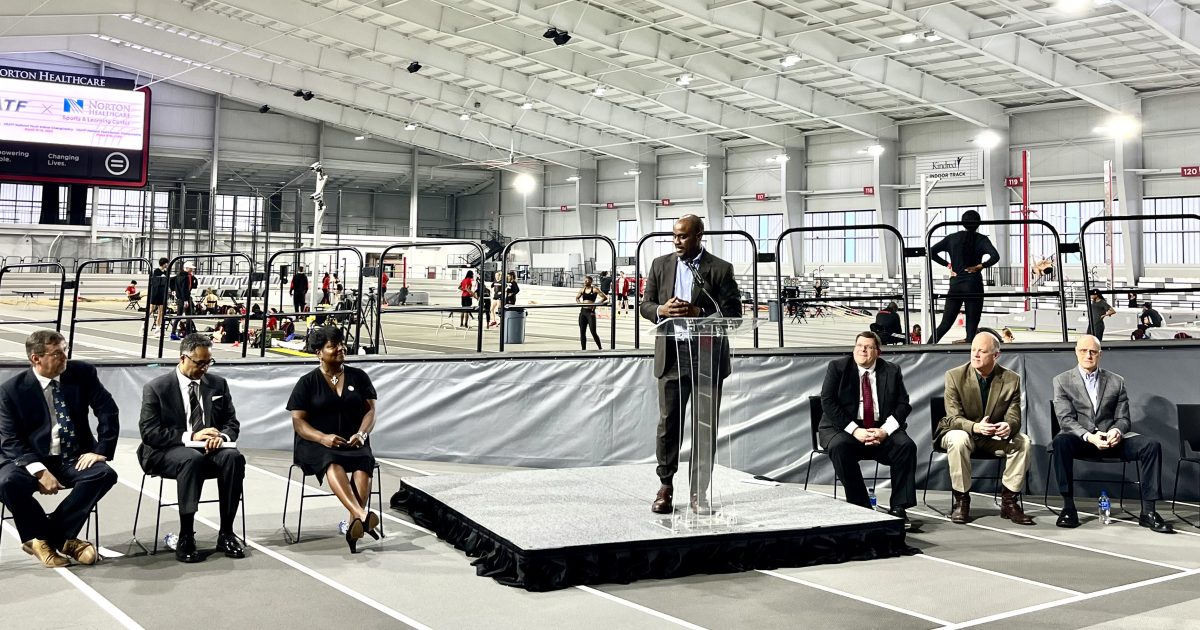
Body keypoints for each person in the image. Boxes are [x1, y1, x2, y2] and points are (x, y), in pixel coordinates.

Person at [639, 215, 742, 515]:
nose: (676, 241)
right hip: (672, 355)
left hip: (707, 356)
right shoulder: (660, 265)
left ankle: (699, 492)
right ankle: (666, 486)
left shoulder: (720, 269)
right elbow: (645, 305)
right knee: (668, 425)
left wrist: (700, 311)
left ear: (699, 236)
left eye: (683, 236)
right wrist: (661, 309)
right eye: (674, 236)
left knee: (704, 427)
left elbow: (734, 314)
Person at [0, 330, 119, 568]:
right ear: (36, 358)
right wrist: (39, 471)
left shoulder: (83, 373)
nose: (65, 356)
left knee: (104, 474)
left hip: (72, 455)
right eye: (57, 353)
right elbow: (10, 440)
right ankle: (63, 540)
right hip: (28, 458)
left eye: (65, 350)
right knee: (6, 483)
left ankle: (46, 537)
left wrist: (101, 449)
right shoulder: (10, 391)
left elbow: (107, 410)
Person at [138, 334, 247, 562]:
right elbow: (150, 433)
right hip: (166, 451)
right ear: (183, 358)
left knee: (233, 458)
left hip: (209, 449)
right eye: (200, 363)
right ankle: (186, 534)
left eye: (209, 362)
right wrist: (192, 436)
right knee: (191, 459)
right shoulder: (157, 388)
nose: (205, 368)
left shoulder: (218, 384)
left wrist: (222, 436)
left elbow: (231, 422)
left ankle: (226, 532)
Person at [1050, 335, 1172, 533]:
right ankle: (1068, 508)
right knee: (1060, 442)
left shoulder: (1117, 381)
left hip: (1112, 438)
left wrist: (1116, 431)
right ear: (1076, 352)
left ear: (1100, 354)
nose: (1088, 355)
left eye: (1093, 351)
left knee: (1151, 446)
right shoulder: (1062, 381)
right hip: (1082, 439)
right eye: (1083, 351)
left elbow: (1123, 419)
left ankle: (1148, 512)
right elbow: (1065, 420)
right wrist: (1090, 437)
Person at [286, 327, 381, 553]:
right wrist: (323, 438)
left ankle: (353, 525)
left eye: (341, 344)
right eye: (332, 346)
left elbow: (370, 412)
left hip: (353, 440)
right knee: (332, 459)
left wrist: (361, 434)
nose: (340, 349)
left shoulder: (359, 376)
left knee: (363, 460)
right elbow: (298, 422)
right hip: (315, 443)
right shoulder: (307, 382)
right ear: (319, 352)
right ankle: (361, 514)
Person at [934, 331, 1034, 525]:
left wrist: (1008, 426)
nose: (975, 355)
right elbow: (953, 418)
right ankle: (961, 501)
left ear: (995, 355)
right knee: (958, 439)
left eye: (981, 351)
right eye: (973, 350)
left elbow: (1014, 415)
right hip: (962, 432)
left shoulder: (1011, 379)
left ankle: (1009, 502)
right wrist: (976, 428)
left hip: (992, 438)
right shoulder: (954, 376)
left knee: (1023, 441)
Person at [819, 331, 916, 524]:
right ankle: (861, 507)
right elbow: (828, 402)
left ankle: (899, 508)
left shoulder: (892, 370)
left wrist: (885, 431)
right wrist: (856, 430)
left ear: (878, 352)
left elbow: (903, 404)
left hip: (880, 428)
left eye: (868, 346)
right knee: (839, 447)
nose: (863, 349)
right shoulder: (837, 367)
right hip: (844, 428)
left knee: (906, 446)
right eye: (859, 346)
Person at [929, 210, 1000, 344]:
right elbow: (995, 256)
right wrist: (980, 266)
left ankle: (927, 348)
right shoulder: (981, 239)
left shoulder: (952, 238)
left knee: (945, 323)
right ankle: (969, 346)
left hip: (956, 284)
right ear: (978, 223)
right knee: (972, 323)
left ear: (962, 222)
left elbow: (931, 251)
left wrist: (948, 264)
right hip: (974, 284)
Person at [576, 275, 608, 350]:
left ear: (591, 282)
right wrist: (580, 304)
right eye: (585, 280)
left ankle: (600, 348)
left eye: (587, 280)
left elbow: (604, 297)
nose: (585, 282)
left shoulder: (594, 289)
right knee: (582, 332)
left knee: (593, 331)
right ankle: (583, 349)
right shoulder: (582, 289)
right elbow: (577, 298)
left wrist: (596, 304)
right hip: (583, 312)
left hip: (590, 312)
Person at [149, 257, 170, 336]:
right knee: (151, 309)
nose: (167, 265)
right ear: (164, 263)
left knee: (161, 312)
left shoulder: (166, 272)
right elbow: (154, 283)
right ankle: (144, 326)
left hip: (162, 293)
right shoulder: (156, 271)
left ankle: (157, 330)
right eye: (166, 263)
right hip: (155, 292)